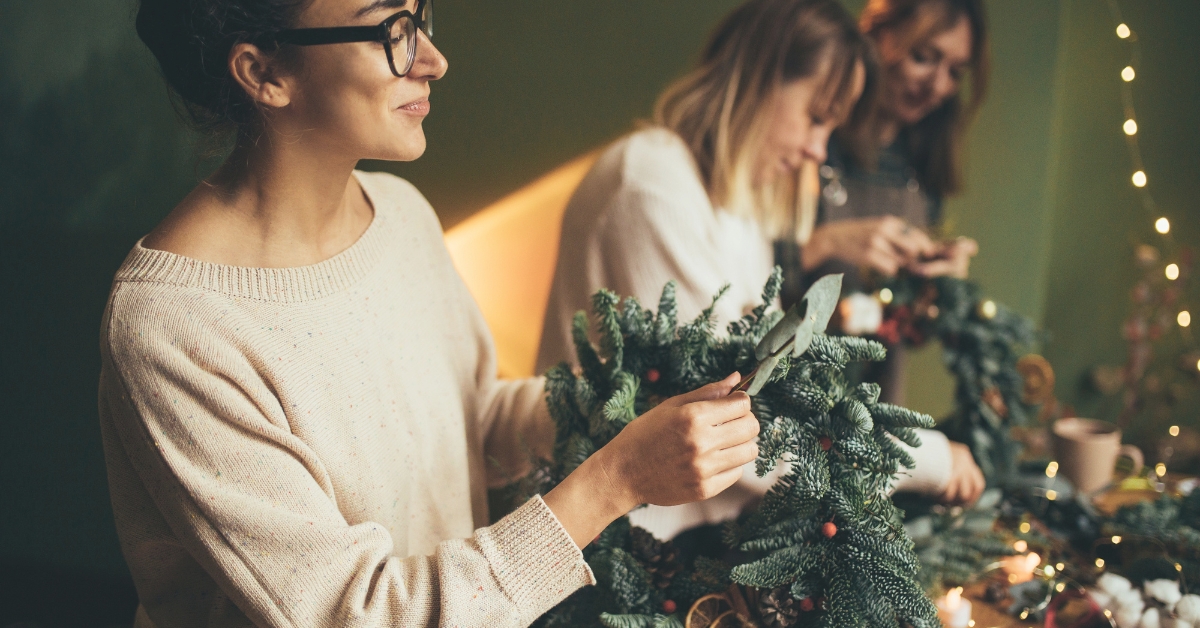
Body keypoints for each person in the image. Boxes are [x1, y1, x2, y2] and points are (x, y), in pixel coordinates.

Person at [100, 1, 762, 626]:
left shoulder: (400, 216)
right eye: (391, 30)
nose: (433, 59)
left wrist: (622, 403)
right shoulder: (176, 323)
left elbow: (471, 422)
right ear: (263, 72)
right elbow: (357, 613)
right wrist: (615, 481)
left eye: (420, 17)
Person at [537, 0, 983, 543]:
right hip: (611, 544)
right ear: (759, 79)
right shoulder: (652, 185)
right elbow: (733, 427)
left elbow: (771, 381)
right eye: (816, 118)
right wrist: (931, 460)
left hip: (699, 534)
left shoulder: (739, 206)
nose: (818, 151)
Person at [789, 0, 990, 404]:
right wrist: (823, 245)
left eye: (955, 72)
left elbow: (904, 331)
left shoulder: (923, 171)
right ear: (878, 35)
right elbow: (746, 286)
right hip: (783, 400)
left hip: (875, 414)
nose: (938, 86)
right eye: (923, 58)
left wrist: (936, 293)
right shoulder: (805, 142)